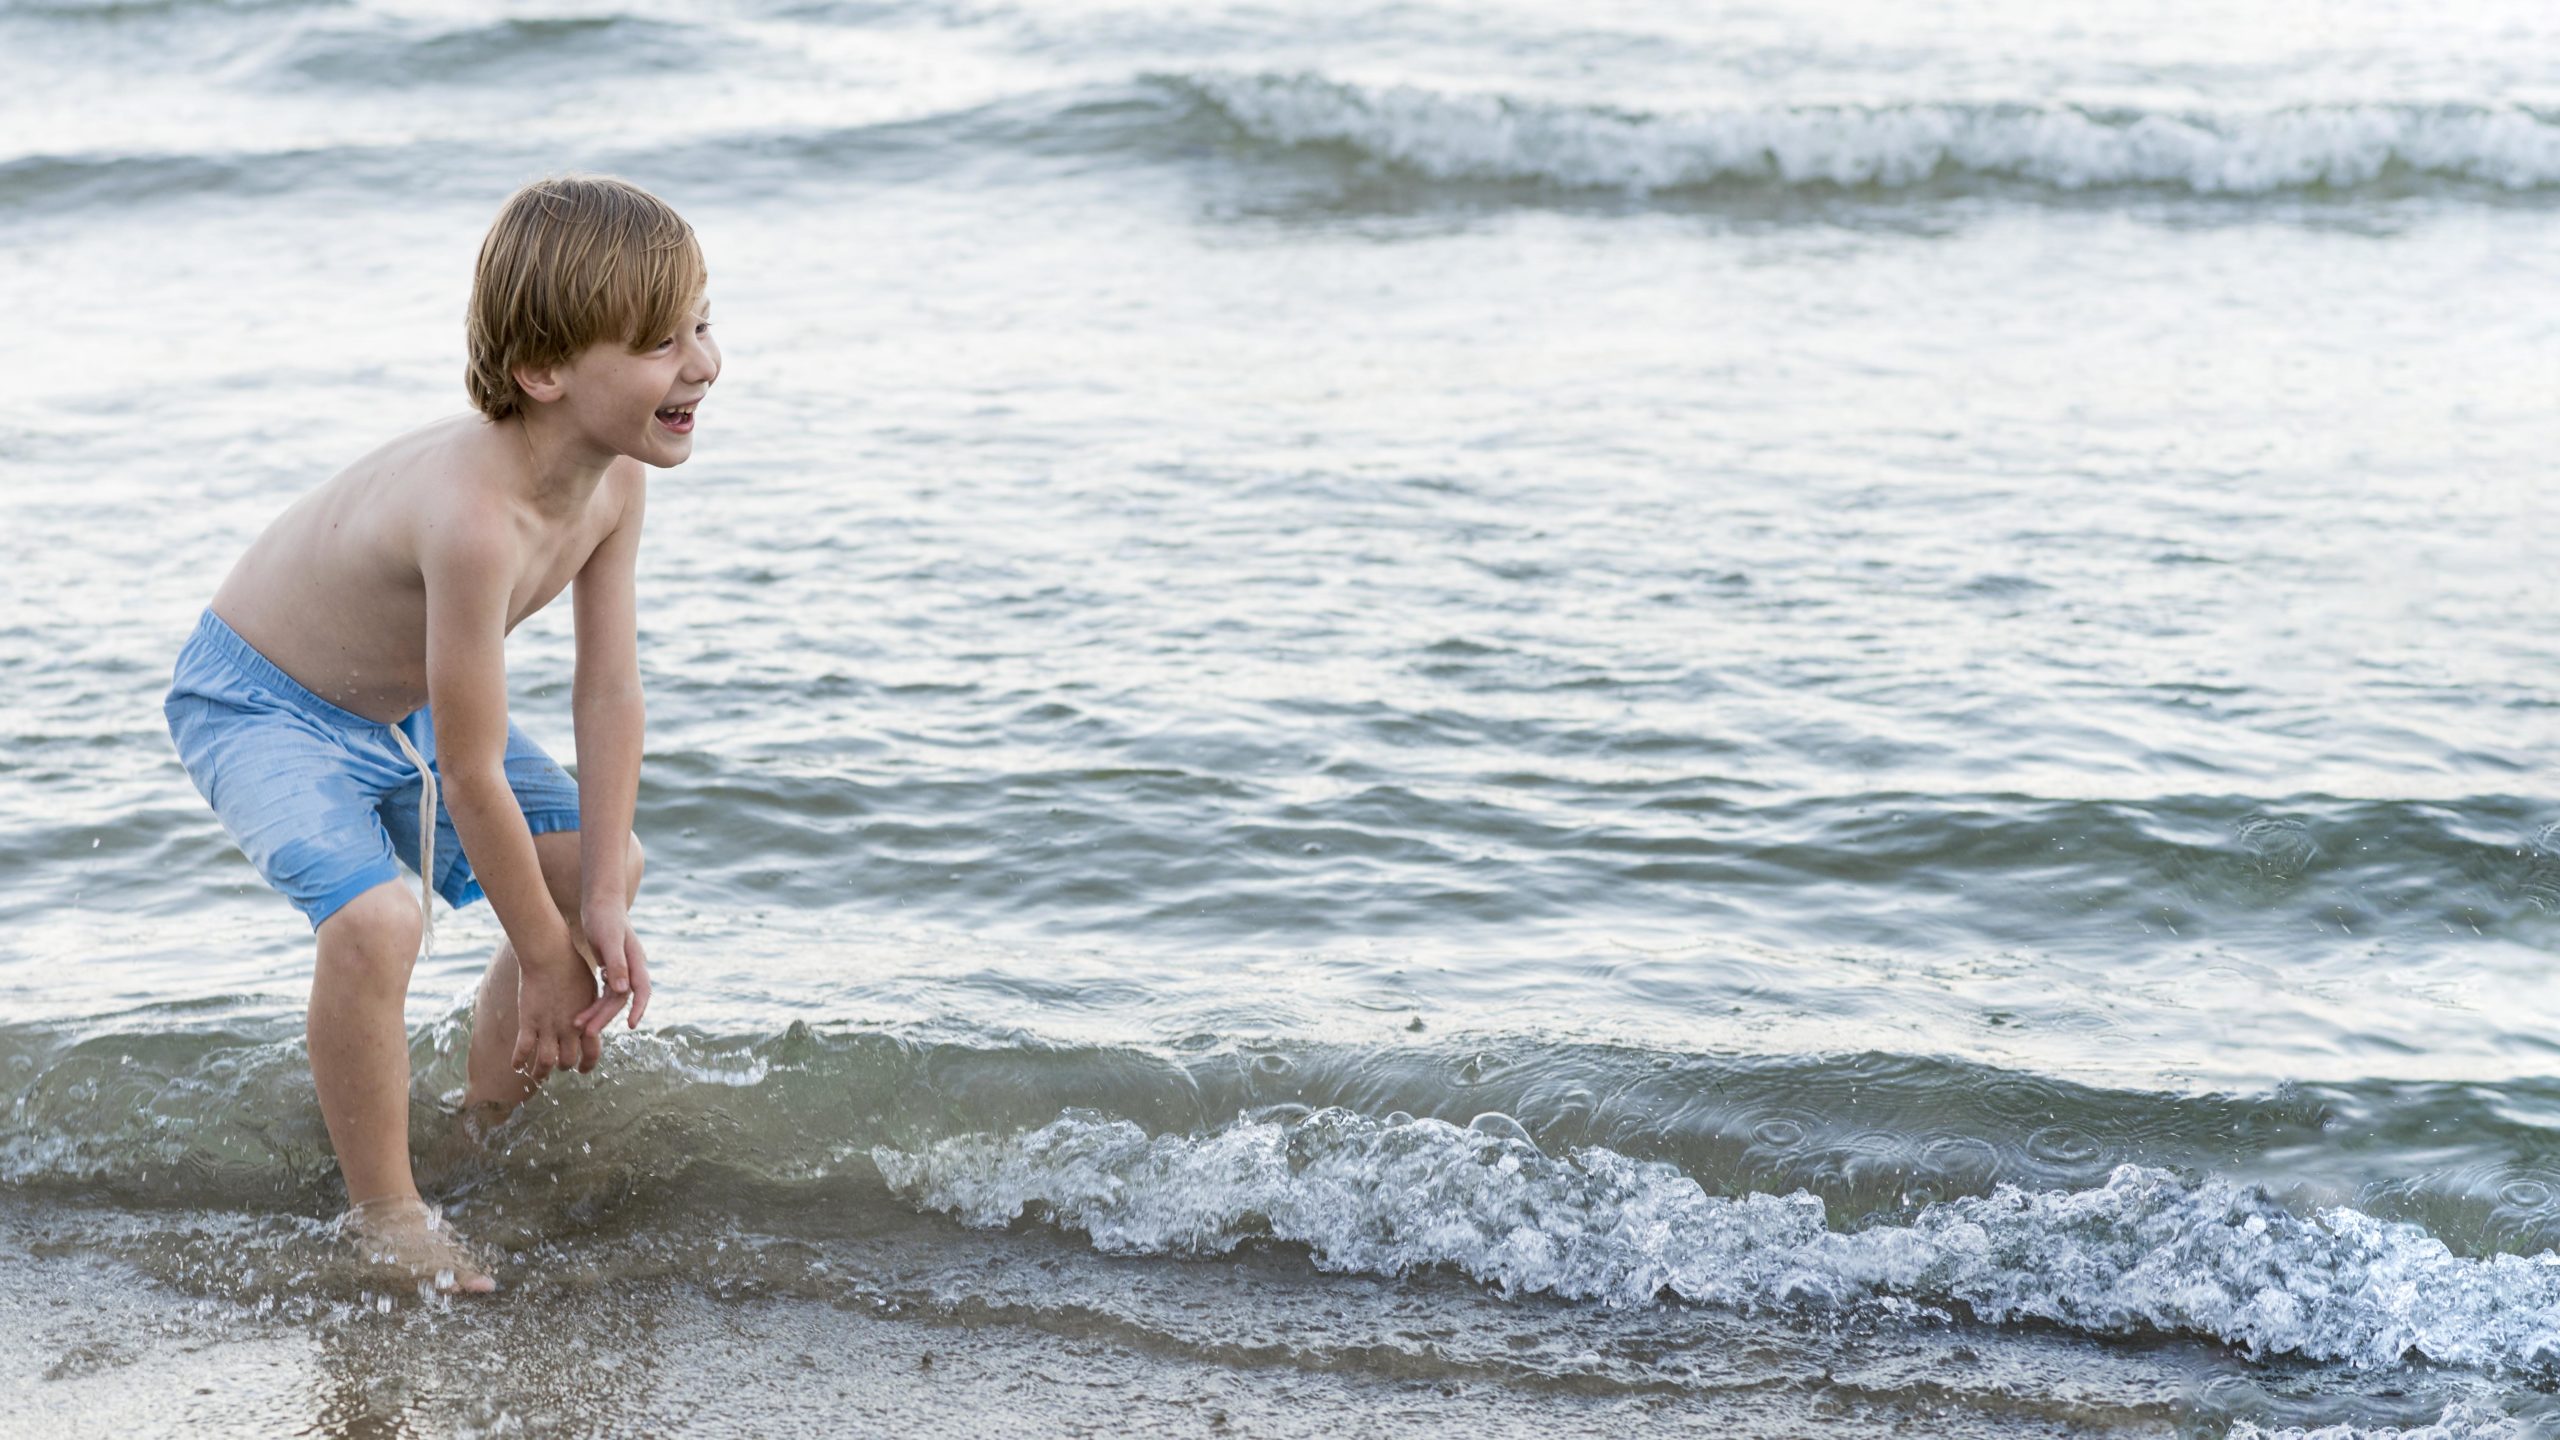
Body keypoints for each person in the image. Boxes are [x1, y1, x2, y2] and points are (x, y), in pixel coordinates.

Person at [162, 174, 719, 1294]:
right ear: (545, 372)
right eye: (662, 343)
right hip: (266, 701)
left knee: (599, 866)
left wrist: (595, 905)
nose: (703, 363)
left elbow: (607, 692)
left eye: (703, 324)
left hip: (403, 699)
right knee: (377, 922)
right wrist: (555, 962)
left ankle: (482, 1125)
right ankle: (387, 1213)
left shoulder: (611, 486)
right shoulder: (472, 517)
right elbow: (469, 775)